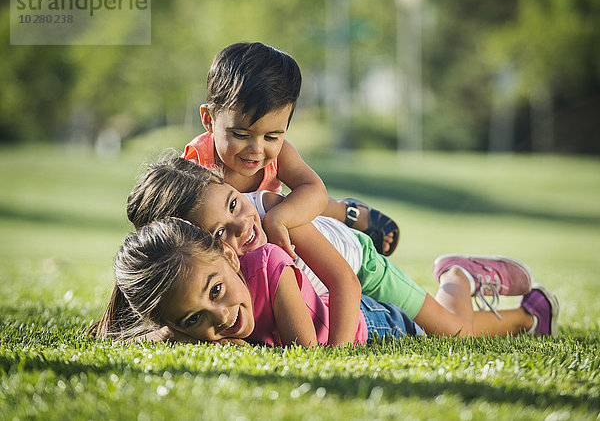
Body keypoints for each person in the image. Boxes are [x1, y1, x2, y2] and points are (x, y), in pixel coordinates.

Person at [123, 156, 559, 339]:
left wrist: (340, 353)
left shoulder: (271, 216)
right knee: (440, 328)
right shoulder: (198, 273)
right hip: (330, 298)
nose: (241, 227)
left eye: (235, 205)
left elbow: (343, 278)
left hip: (357, 266)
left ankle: (459, 277)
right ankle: (528, 314)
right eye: (220, 234)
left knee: (450, 329)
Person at [92, 218, 557, 347]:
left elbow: (306, 353)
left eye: (216, 292)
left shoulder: (270, 270)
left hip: (371, 323)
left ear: (229, 256)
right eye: (195, 318)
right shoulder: (193, 305)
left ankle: (468, 281)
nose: (222, 317)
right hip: (360, 312)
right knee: (455, 327)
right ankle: (527, 313)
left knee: (453, 328)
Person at [183, 41, 399, 257]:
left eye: (271, 136)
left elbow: (314, 190)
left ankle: (347, 213)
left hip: (274, 216)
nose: (256, 148)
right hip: (235, 237)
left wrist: (278, 218)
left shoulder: (281, 154)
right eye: (241, 135)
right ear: (209, 119)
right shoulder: (195, 166)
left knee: (298, 207)